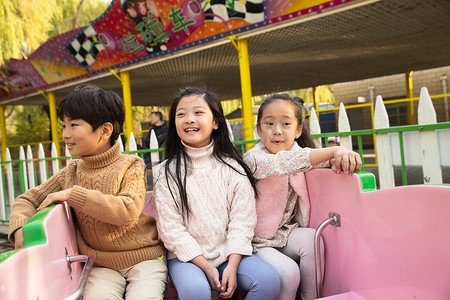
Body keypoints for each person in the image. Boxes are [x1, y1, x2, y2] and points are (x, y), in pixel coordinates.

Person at [8, 84, 167, 299]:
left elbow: (127, 212)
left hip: (144, 258)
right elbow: (27, 199)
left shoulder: (132, 165)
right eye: (64, 126)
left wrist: (74, 195)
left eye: (73, 125)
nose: (65, 134)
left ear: (105, 130)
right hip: (100, 266)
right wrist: (19, 228)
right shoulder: (71, 171)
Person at [152, 87, 281, 300]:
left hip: (229, 254)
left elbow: (242, 221)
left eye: (198, 113)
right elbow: (171, 230)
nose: (189, 119)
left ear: (215, 122)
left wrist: (232, 263)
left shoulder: (234, 168)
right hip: (187, 259)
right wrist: (206, 266)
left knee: (269, 280)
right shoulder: (165, 173)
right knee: (196, 291)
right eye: (181, 114)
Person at [243, 94, 361, 300]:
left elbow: (318, 162)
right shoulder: (253, 159)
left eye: (286, 124)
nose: (277, 130)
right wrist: (335, 149)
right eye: (269, 123)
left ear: (298, 130)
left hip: (284, 233)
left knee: (311, 239)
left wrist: (340, 159)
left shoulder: (301, 154)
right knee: (289, 272)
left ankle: (312, 297)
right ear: (259, 129)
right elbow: (286, 162)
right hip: (255, 240)